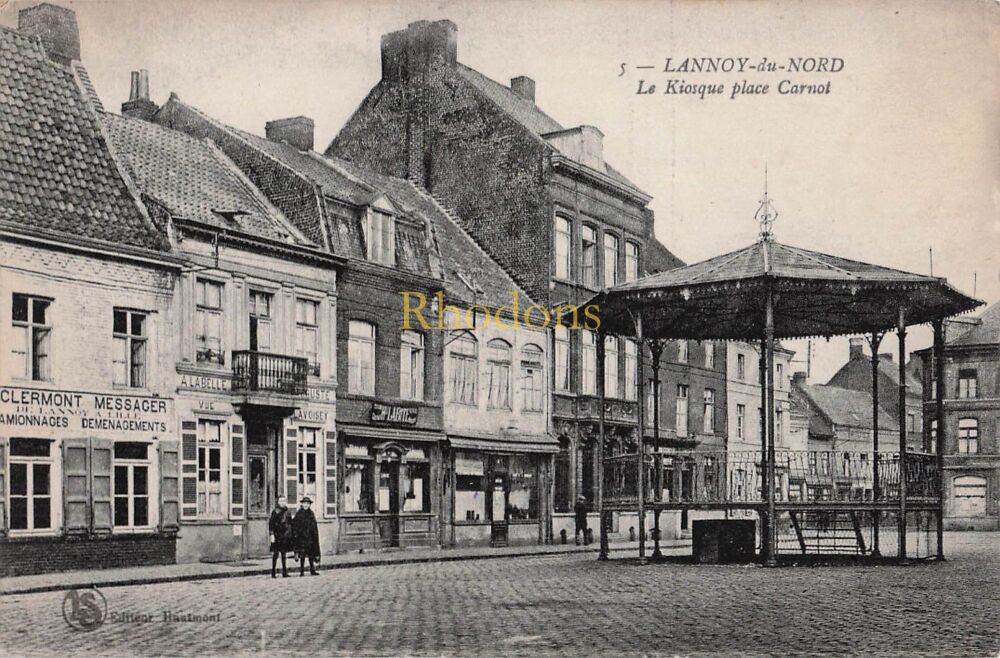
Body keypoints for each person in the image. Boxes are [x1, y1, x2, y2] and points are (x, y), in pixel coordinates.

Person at [292, 496, 321, 576]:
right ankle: (302, 571)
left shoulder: (311, 514)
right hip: (301, 538)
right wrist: (297, 536)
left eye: (307, 504)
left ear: (309, 505)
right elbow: (295, 526)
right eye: (304, 503)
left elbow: (314, 526)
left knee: (311, 555)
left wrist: (314, 537)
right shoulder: (299, 514)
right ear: (302, 504)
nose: (306, 505)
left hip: (310, 538)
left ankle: (312, 570)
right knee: (302, 555)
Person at [268, 496, 293, 578]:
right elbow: (271, 524)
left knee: (284, 554)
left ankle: (284, 572)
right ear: (278, 502)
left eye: (284, 501)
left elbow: (290, 523)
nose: (283, 502)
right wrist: (272, 535)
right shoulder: (275, 512)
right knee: (275, 554)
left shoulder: (287, 511)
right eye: (281, 501)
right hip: (277, 535)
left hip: (284, 535)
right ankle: (273, 572)